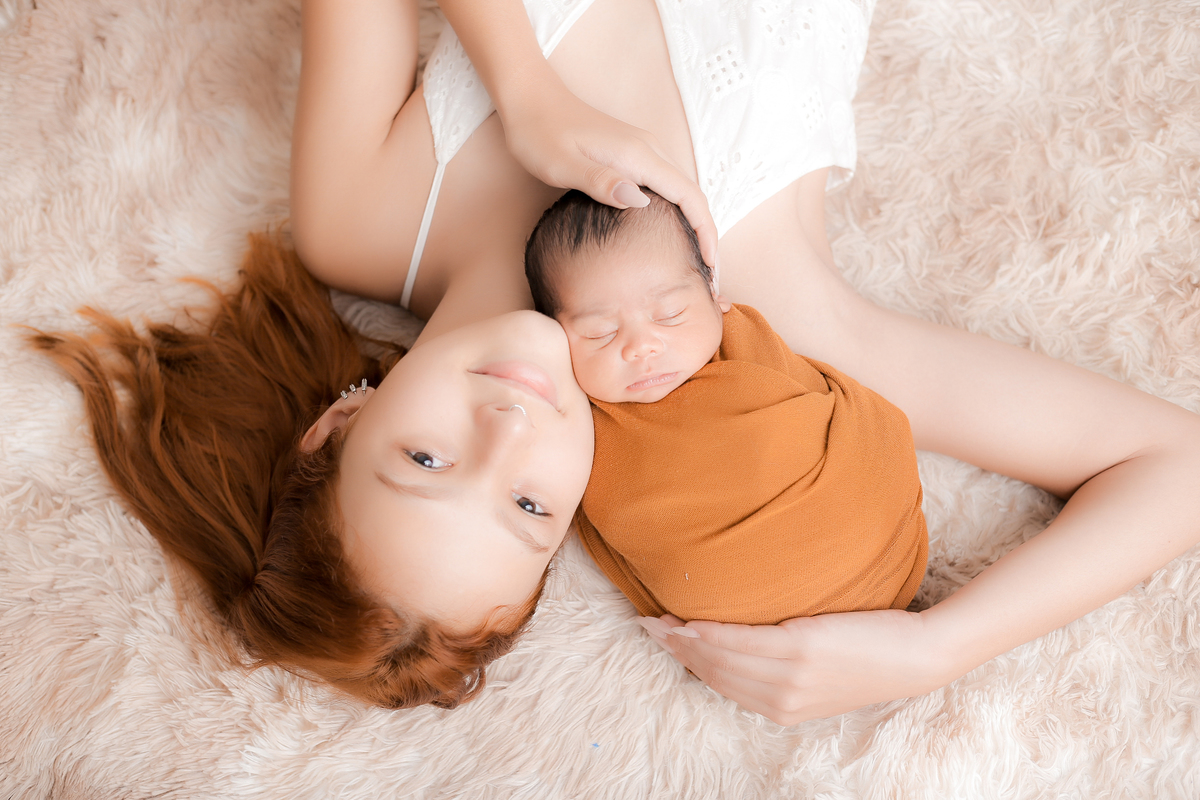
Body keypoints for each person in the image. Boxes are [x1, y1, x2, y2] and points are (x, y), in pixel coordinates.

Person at [34, 0, 1200, 725]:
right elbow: (1174, 463)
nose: (509, 429)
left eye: (426, 459)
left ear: (342, 419)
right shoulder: (777, 324)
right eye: (529, 505)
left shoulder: (363, 219)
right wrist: (936, 648)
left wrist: (527, 89)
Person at [524, 188, 928, 626]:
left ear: (715, 295)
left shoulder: (747, 342)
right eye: (600, 333)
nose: (641, 346)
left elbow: (841, 413)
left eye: (670, 314)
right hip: (732, 607)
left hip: (870, 536)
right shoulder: (575, 419)